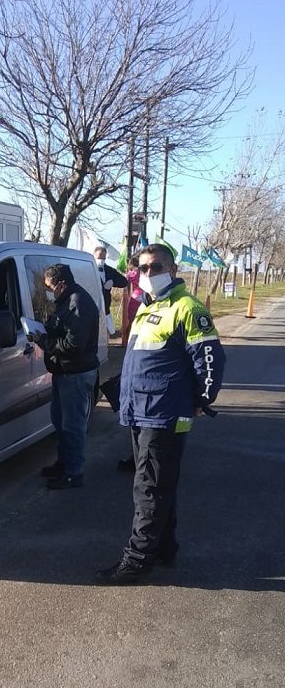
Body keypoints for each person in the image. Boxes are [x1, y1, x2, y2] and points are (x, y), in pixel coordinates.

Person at [96, 243, 226, 585]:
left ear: (172, 267)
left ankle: (137, 559)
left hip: (165, 414)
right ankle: (164, 547)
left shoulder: (187, 308)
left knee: (149, 488)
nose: (147, 274)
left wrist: (201, 398)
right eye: (142, 268)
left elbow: (210, 361)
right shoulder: (148, 307)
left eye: (155, 267)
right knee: (158, 484)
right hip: (143, 411)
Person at [28, 263, 100, 490]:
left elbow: (73, 345)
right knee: (60, 422)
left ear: (61, 284)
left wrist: (44, 342)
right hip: (63, 371)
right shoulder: (64, 302)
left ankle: (73, 473)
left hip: (76, 372)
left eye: (50, 287)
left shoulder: (77, 302)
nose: (48, 292)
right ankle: (64, 463)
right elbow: (61, 329)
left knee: (73, 424)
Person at [117, 255, 144, 473]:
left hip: (147, 362)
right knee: (134, 416)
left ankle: (142, 460)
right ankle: (136, 456)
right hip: (133, 351)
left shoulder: (144, 293)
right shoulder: (136, 292)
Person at [93, 246, 128, 335]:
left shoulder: (109, 270)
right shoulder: (88, 268)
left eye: (103, 258)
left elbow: (124, 282)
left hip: (105, 306)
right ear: (94, 256)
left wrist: (113, 282)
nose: (101, 260)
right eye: (99, 258)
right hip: (92, 305)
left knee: (106, 332)